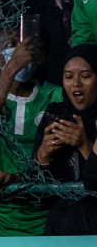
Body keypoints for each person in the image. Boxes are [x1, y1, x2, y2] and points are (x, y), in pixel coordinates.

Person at [0, 31, 62, 237]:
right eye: (13, 45)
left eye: (27, 45)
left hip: (43, 220)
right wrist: (11, 68)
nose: (22, 51)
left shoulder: (55, 96)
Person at [32, 45, 97, 235]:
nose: (76, 84)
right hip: (60, 228)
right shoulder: (55, 115)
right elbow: (36, 192)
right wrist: (42, 156)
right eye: (69, 77)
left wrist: (84, 146)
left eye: (85, 76)